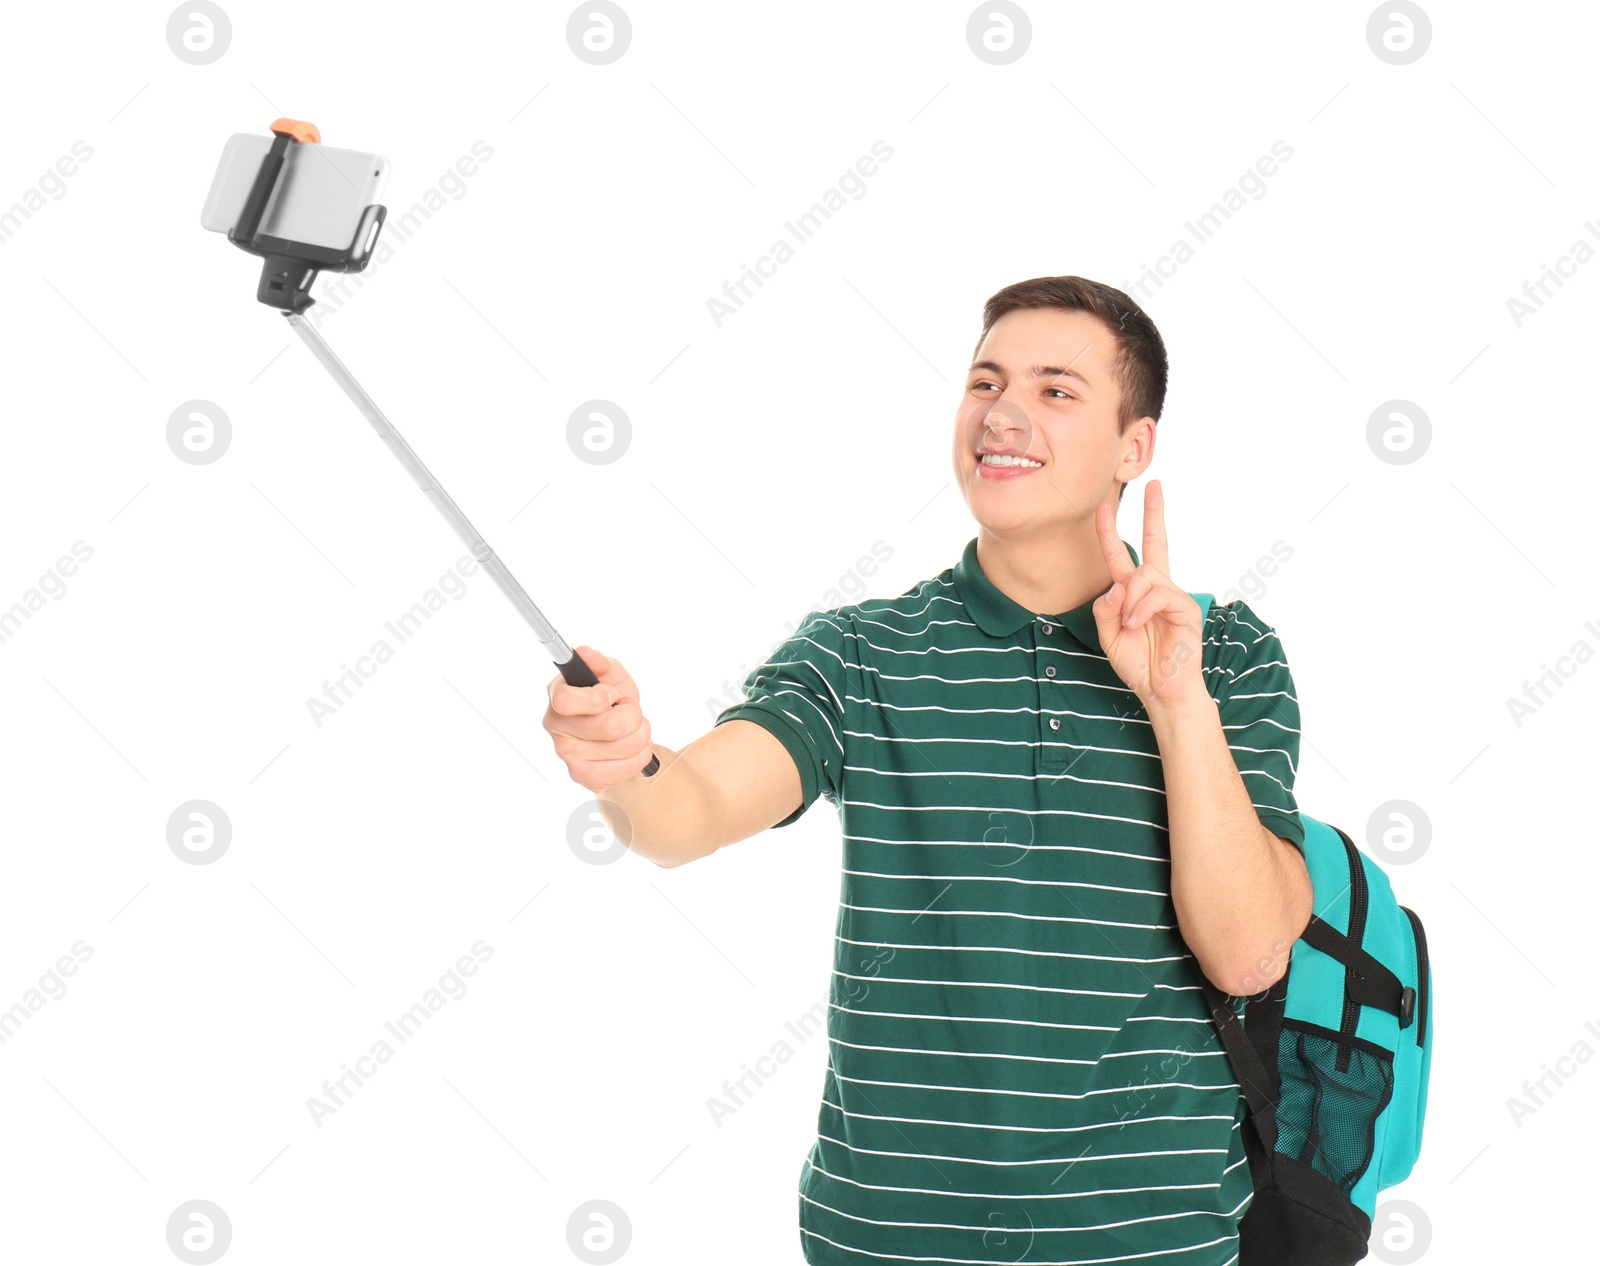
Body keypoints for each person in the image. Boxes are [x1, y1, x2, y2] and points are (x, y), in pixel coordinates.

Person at [543, 275, 1314, 1265]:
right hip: (885, 1243)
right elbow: (686, 811)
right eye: (984, 381)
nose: (1002, 412)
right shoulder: (862, 652)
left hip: (1151, 1243)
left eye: (1055, 390)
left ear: (1134, 448)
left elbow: (1250, 956)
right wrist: (625, 763)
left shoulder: (1226, 653)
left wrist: (1175, 701)